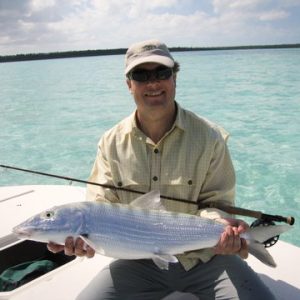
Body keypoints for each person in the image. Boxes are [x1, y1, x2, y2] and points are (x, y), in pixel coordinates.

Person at [48, 39, 275, 299]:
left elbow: (216, 203)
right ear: (128, 84)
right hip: (139, 263)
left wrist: (220, 226)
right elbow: (99, 207)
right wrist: (83, 242)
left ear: (174, 78)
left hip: (206, 259)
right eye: (141, 75)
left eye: (162, 73)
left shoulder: (210, 137)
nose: (153, 83)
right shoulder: (110, 143)